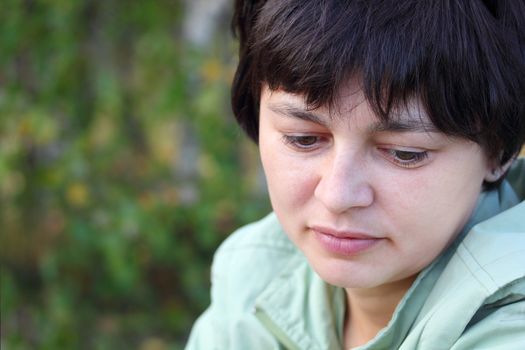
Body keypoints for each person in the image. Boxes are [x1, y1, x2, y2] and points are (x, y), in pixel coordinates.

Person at [186, 0, 525, 348]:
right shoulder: (252, 277)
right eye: (303, 139)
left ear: (499, 150)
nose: (337, 195)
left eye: (404, 154)